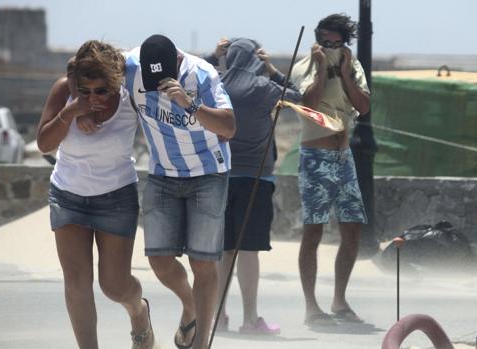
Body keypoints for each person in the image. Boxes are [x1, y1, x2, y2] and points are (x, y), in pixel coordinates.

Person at [36, 40, 154, 349]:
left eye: (101, 91)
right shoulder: (65, 91)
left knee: (115, 286)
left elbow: (164, 128)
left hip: (116, 198)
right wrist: (72, 111)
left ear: (116, 84)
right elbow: (45, 145)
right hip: (68, 197)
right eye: (84, 90)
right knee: (76, 283)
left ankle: (139, 311)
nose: (93, 97)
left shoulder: (131, 97)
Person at [124, 34, 235, 349]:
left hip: (208, 174)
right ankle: (190, 305)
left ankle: (201, 343)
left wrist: (190, 103)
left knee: (202, 263)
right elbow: (86, 64)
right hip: (162, 173)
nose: (159, 85)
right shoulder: (130, 64)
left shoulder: (202, 74)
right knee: (158, 260)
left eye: (164, 78)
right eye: (152, 78)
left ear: (177, 60)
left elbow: (229, 127)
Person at [206, 38, 301, 335]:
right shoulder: (263, 88)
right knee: (248, 252)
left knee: (223, 251)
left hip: (220, 176)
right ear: (255, 59)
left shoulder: (215, 83)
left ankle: (218, 318)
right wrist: (272, 69)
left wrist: (212, 56)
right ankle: (250, 320)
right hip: (255, 179)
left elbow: (188, 81)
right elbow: (300, 97)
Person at [291, 13, 371, 326]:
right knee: (313, 231)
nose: (331, 47)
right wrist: (322, 66)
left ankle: (339, 300)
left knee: (352, 229)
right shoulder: (304, 66)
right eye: (326, 42)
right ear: (318, 40)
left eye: (337, 44)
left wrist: (348, 74)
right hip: (315, 156)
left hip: (344, 155)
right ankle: (312, 306)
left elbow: (363, 107)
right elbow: (309, 106)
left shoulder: (353, 66)